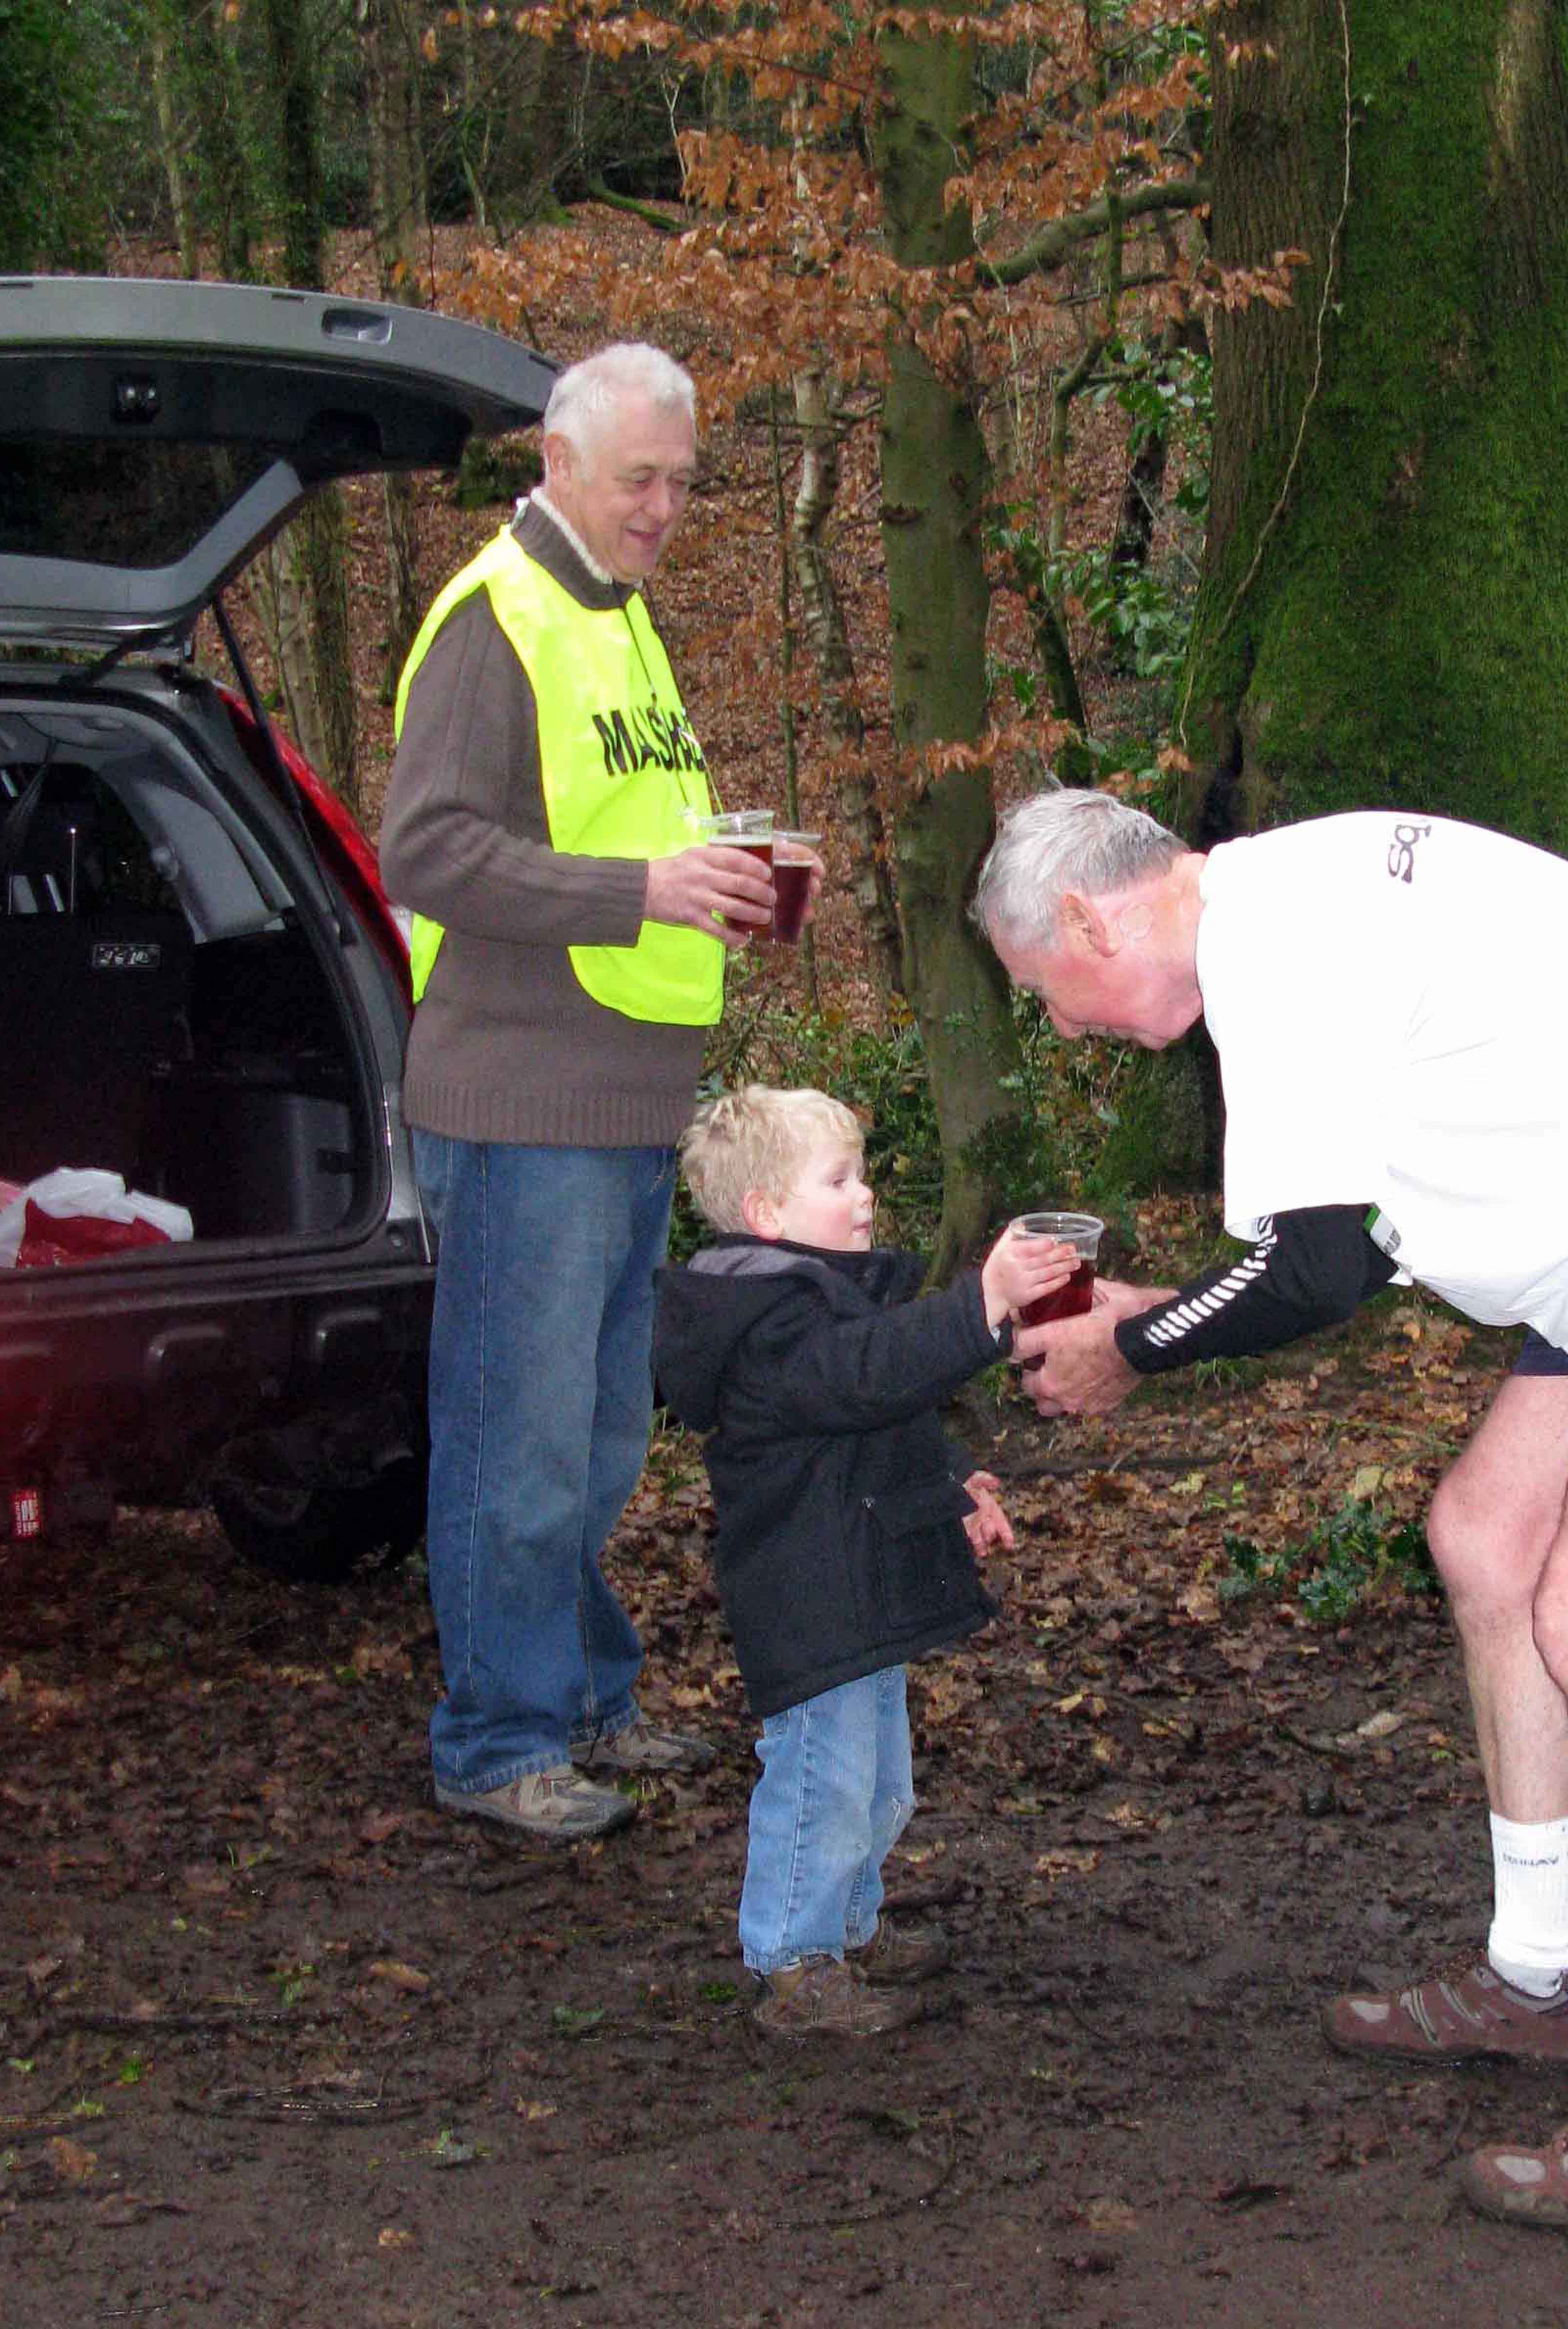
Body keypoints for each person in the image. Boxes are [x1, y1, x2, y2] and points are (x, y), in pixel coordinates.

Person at [975, 790, 1568, 2240]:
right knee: (1486, 1537)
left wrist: (1129, 1349)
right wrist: (1166, 1316)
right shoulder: (1285, 903)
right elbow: (1383, 1183)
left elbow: (1315, 1272)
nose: (1072, 1030)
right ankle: (1534, 1978)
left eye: (1052, 996)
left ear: (1091, 919)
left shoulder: (1268, 945)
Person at [380, 342, 796, 1844]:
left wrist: (714, 885)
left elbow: (636, 839)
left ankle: (586, 1697)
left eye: (684, 481)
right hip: (520, 1101)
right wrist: (642, 888)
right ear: (557, 462)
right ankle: (498, 1742)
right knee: (520, 1437)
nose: (667, 507)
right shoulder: (499, 621)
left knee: (603, 1436)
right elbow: (422, 851)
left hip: (625, 1101)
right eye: (642, 480)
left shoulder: (621, 624)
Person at [652, 1087, 1074, 2036]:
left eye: (862, 1173)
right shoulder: (764, 1323)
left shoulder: (821, 1306)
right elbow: (865, 1375)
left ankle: (845, 1925)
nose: (865, 1195)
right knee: (823, 1777)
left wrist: (957, 1481)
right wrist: (984, 1304)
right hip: (811, 1595)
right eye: (837, 1179)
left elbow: (887, 1410)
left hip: (858, 1582)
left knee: (881, 1782)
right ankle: (794, 1961)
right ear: (767, 1213)